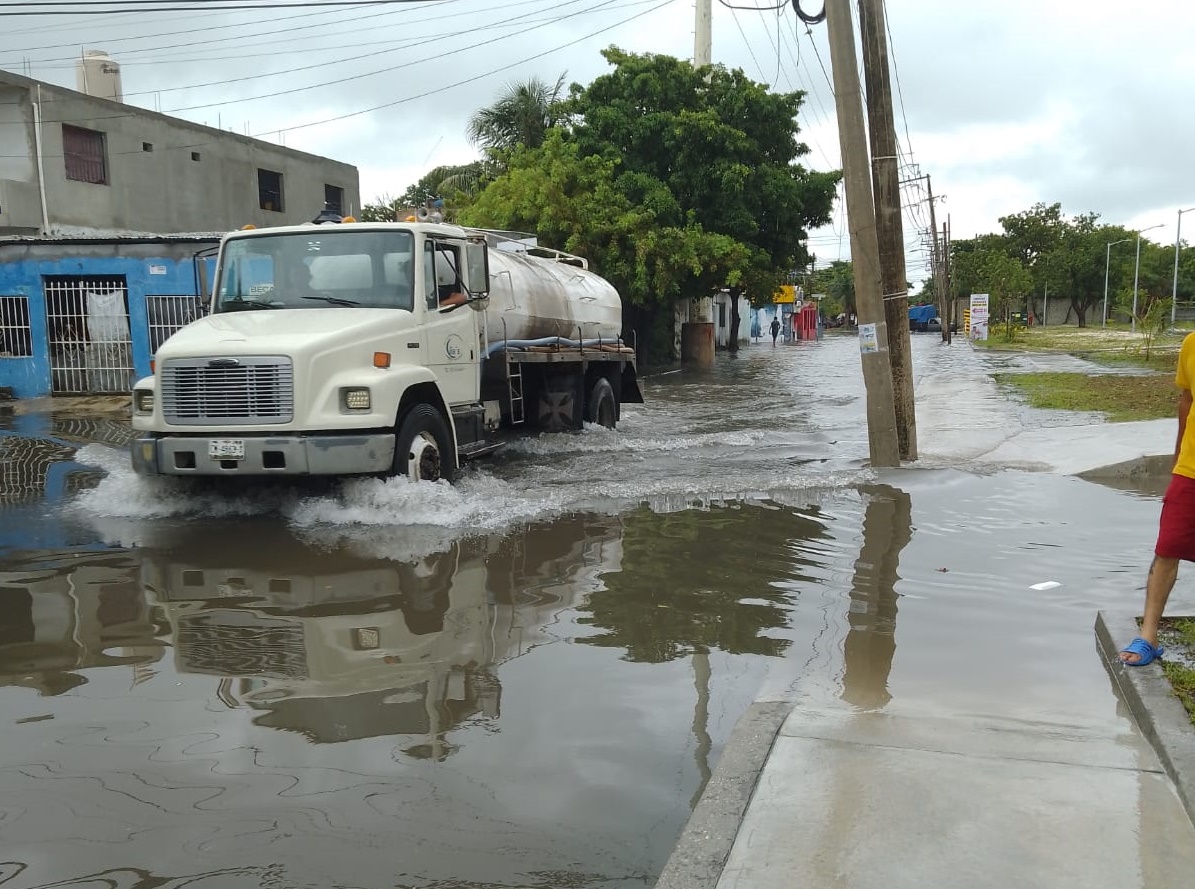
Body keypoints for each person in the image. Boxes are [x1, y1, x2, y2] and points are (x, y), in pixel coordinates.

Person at [1120, 331, 1195, 665]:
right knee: (1167, 548)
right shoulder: (1192, 344)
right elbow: (1187, 400)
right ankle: (1148, 635)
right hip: (1191, 469)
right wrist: (1179, 455)